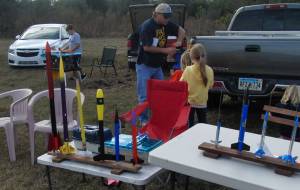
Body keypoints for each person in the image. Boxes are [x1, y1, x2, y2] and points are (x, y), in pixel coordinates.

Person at [136, 3, 186, 124]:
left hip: (157, 66)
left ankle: (158, 118)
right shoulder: (147, 27)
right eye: (165, 16)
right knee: (144, 96)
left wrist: (179, 41)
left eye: (169, 16)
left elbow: (181, 30)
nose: (167, 19)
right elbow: (147, 48)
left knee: (160, 93)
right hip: (145, 65)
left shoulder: (166, 24)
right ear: (157, 14)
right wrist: (166, 50)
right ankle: (144, 122)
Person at [180, 44, 214, 127]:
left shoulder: (187, 70)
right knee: (203, 124)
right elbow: (210, 86)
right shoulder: (209, 70)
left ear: (191, 58)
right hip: (202, 102)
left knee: (189, 124)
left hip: (190, 102)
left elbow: (181, 84)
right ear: (204, 56)